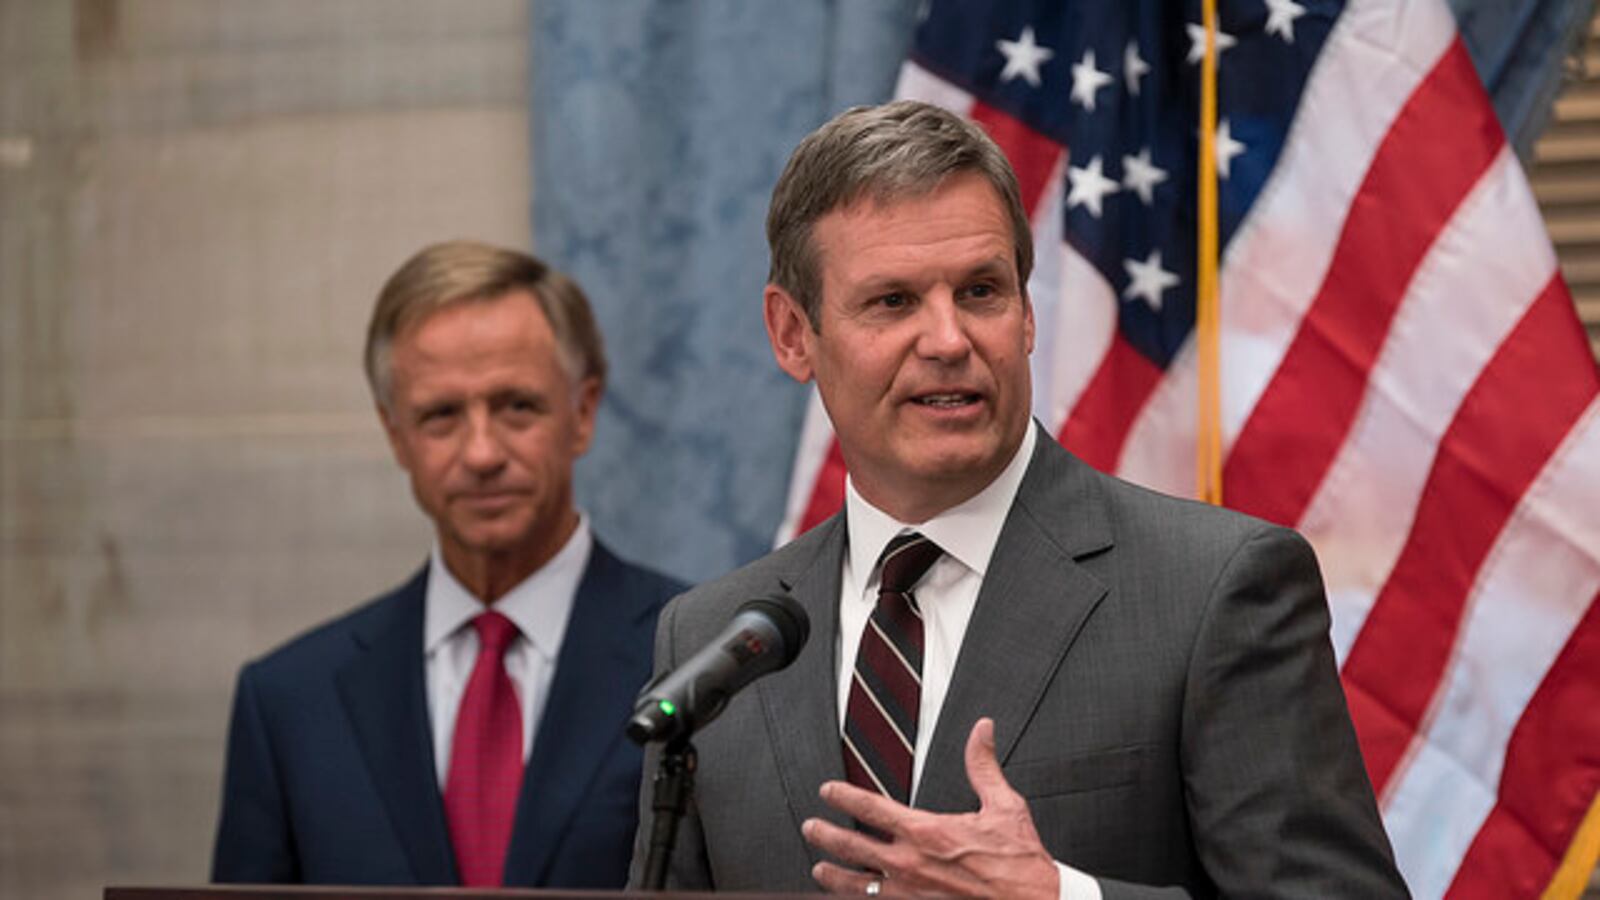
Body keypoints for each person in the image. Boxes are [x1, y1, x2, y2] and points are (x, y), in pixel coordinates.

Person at [629, 102, 1408, 898]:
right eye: (893, 301)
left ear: (1027, 313)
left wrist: (1060, 897)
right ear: (793, 333)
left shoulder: (1213, 590)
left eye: (980, 291)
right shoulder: (715, 639)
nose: (948, 340)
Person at [212, 241, 685, 888]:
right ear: (395, 434)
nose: (483, 452)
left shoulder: (702, 658)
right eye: (441, 415)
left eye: (517, 406)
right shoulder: (291, 703)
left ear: (582, 413)